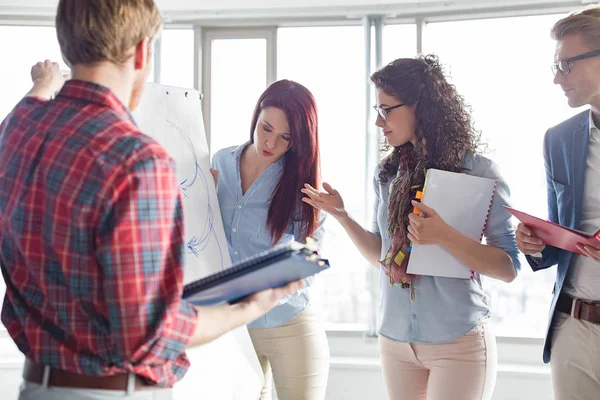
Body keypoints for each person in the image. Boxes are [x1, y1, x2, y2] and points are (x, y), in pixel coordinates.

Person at [0, 1, 301, 399]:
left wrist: (43, 82)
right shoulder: (137, 159)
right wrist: (250, 306)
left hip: (35, 386)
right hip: (112, 392)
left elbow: (32, 104)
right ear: (142, 51)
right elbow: (148, 334)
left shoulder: (16, 129)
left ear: (67, 44)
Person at [301, 55, 520, 400]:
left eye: (386, 109)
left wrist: (444, 236)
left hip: (457, 341)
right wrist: (342, 216)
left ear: (420, 106)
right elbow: (383, 256)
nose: (378, 121)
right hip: (396, 341)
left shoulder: (478, 172)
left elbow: (507, 268)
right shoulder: (388, 175)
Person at [211, 79, 329, 400]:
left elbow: (308, 261)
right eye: (265, 128)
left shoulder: (303, 185)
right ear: (255, 117)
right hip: (234, 330)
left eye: (284, 137)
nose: (270, 142)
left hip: (288, 326)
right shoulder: (219, 163)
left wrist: (262, 290)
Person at [515, 6, 600, 399]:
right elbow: (558, 232)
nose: (556, 78)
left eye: (565, 65)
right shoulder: (559, 139)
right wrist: (535, 241)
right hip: (572, 325)